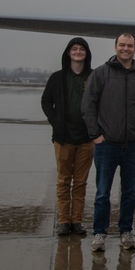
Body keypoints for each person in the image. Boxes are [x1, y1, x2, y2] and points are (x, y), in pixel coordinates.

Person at [82, 34, 135, 252]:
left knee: (130, 192)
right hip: (107, 144)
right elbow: (88, 106)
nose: (126, 49)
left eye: (129, 45)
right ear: (115, 47)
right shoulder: (101, 73)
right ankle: (100, 233)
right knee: (103, 192)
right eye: (122, 45)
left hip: (134, 145)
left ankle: (126, 231)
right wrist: (95, 135)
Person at [41, 37, 94, 236]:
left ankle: (77, 221)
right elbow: (46, 101)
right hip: (63, 137)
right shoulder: (57, 78)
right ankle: (63, 221)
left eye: (82, 49)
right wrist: (55, 121)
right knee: (64, 180)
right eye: (75, 48)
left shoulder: (93, 77)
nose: (78, 52)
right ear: (68, 53)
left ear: (86, 53)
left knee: (80, 182)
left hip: (86, 139)